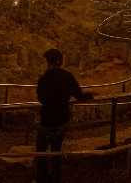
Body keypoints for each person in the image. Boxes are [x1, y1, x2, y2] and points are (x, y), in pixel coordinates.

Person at [35, 48, 94, 183]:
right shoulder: (67, 76)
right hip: (61, 119)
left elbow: (40, 98)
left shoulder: (44, 78)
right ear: (60, 61)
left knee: (41, 153)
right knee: (56, 151)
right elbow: (79, 95)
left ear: (48, 61)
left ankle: (41, 178)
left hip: (46, 119)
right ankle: (56, 178)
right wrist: (90, 94)